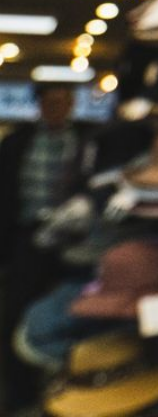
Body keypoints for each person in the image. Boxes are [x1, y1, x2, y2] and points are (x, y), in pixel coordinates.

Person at [0, 85, 85, 413]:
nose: (57, 108)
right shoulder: (17, 143)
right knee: (15, 312)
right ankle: (20, 390)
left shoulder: (85, 141)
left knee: (72, 306)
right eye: (51, 102)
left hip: (73, 238)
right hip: (27, 236)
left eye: (63, 102)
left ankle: (68, 384)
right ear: (39, 105)